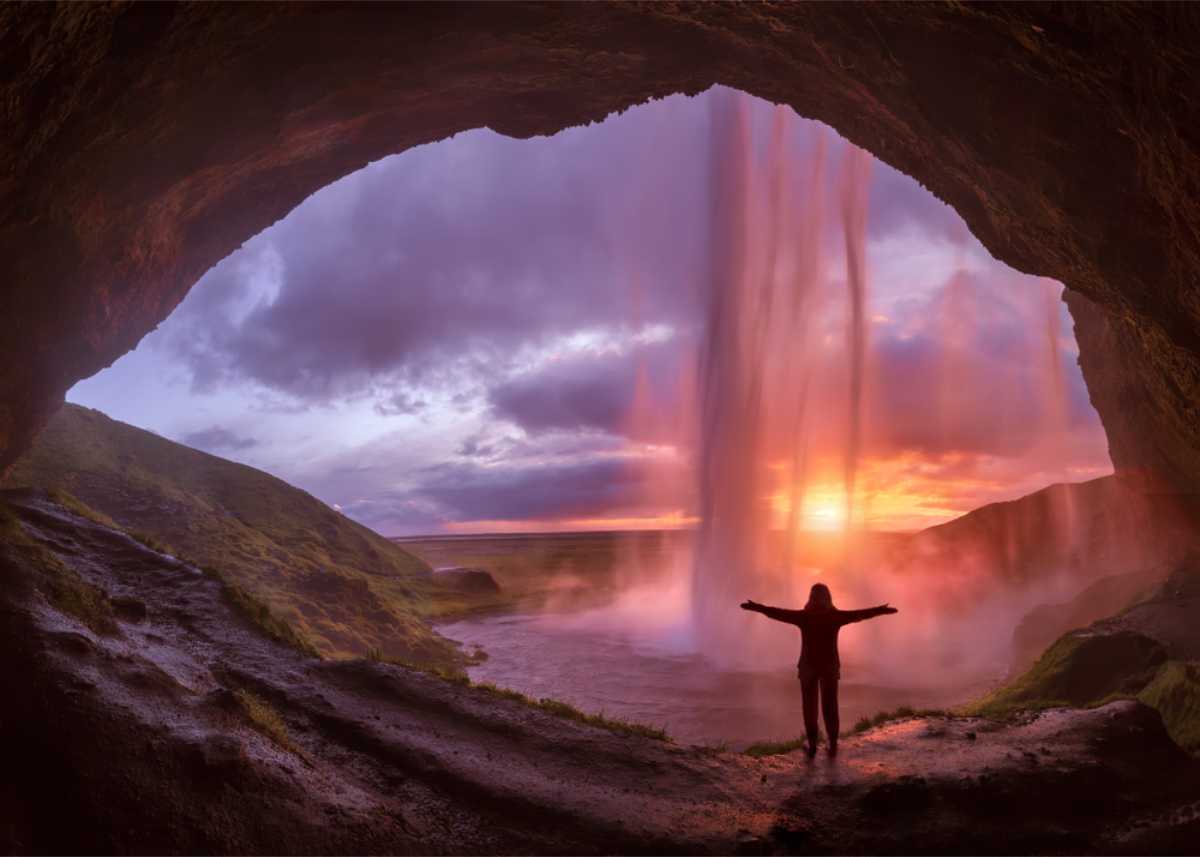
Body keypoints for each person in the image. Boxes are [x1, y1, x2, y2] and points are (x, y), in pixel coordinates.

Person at [741, 583, 897, 757]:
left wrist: (758, 607)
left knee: (810, 708)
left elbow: (778, 613)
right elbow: (860, 615)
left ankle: (813, 746)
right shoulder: (834, 616)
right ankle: (832, 745)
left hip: (808, 667)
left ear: (811, 598)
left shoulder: (804, 616)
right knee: (830, 707)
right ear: (828, 598)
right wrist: (880, 610)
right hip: (829, 667)